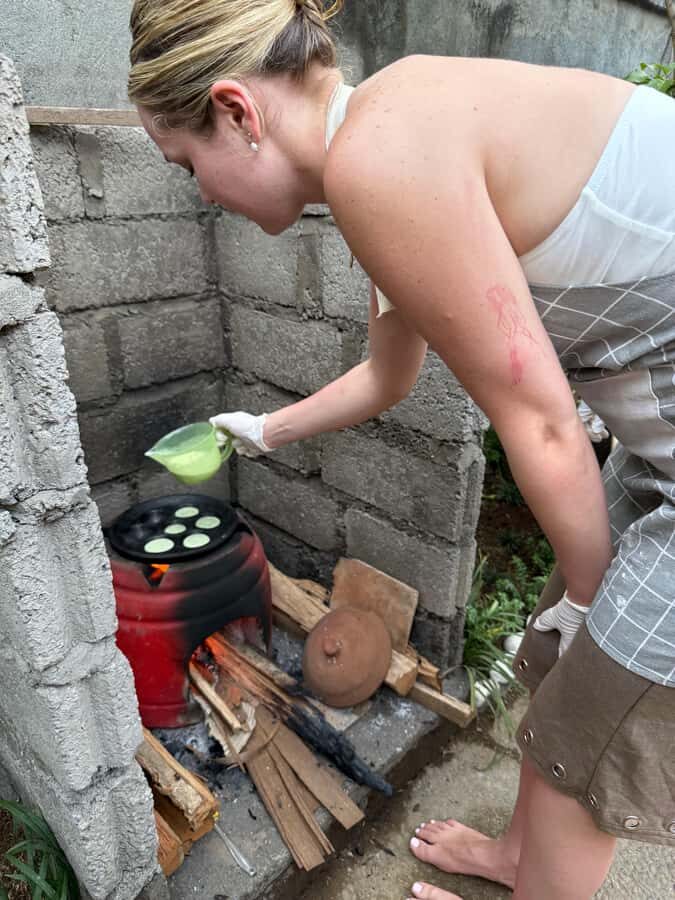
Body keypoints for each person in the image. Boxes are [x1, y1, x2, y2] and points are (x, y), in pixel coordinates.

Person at [128, 2, 675, 897]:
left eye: (187, 163)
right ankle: (514, 860)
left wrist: (587, 598)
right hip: (655, 439)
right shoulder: (385, 127)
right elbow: (387, 376)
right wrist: (263, 431)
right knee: (552, 655)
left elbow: (539, 422)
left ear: (236, 111)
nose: (200, 193)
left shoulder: (380, 160)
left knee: (591, 741)